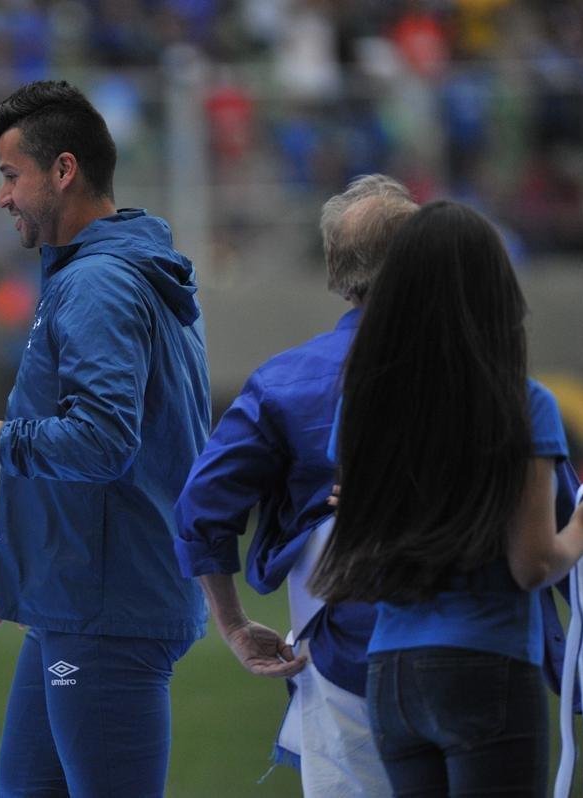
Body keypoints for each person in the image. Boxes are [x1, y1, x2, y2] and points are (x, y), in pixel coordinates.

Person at [0, 80, 211, 797]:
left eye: (11, 176)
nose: (2, 197)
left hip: (105, 605)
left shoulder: (100, 283)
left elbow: (102, 442)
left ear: (63, 171)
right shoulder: (114, 272)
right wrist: (29, 571)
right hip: (81, 596)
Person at [311, 200, 583, 795]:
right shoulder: (523, 404)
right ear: (494, 289)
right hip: (487, 665)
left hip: (392, 676)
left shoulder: (363, 403)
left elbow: (356, 547)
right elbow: (532, 564)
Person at [174, 174, 418, 795]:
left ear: (336, 271)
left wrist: (230, 622)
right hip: (477, 648)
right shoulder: (485, 372)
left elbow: (203, 506)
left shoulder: (285, 382)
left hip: (345, 653)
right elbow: (564, 508)